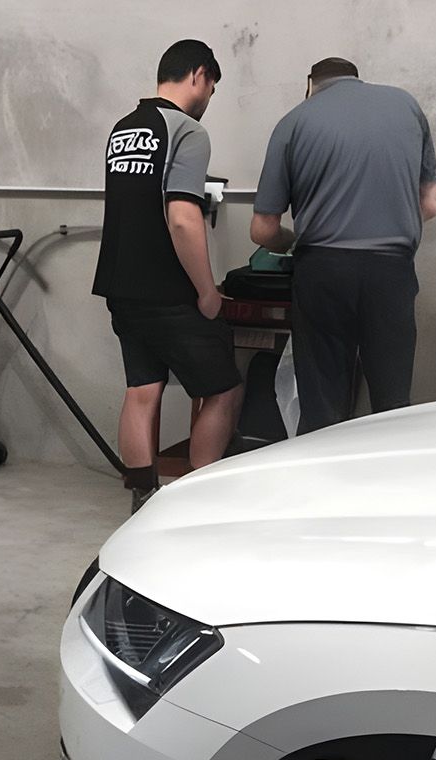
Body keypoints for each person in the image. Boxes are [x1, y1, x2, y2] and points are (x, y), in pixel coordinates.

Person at [251, 57, 436, 434]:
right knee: (392, 403)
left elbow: (262, 229)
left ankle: (324, 487)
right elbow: (431, 203)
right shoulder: (405, 105)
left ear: (311, 83)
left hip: (322, 271)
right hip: (391, 271)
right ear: (357, 79)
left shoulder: (294, 121)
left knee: (322, 406)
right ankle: (387, 485)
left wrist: (292, 241)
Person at [93, 39, 244, 512]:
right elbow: (181, 216)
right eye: (212, 88)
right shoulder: (187, 131)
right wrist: (207, 291)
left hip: (121, 286)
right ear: (199, 75)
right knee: (222, 388)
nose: (208, 100)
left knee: (143, 387)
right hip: (169, 289)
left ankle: (142, 502)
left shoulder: (123, 128)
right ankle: (196, 506)